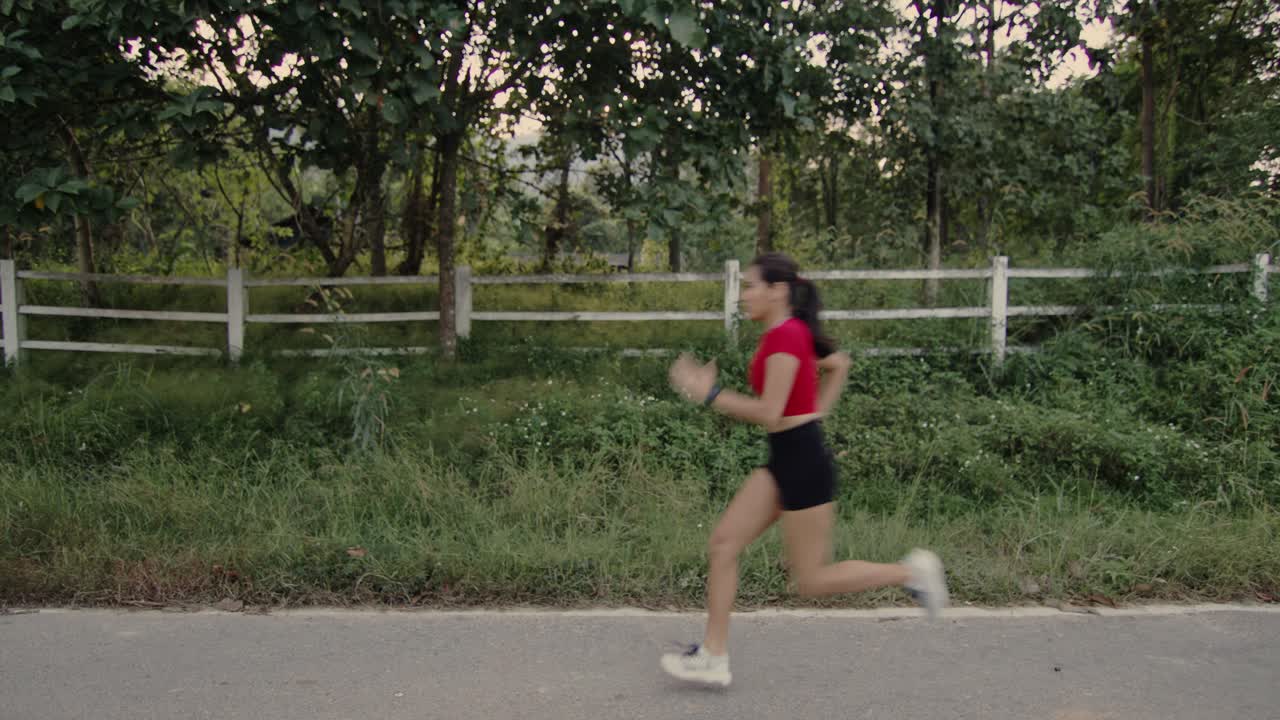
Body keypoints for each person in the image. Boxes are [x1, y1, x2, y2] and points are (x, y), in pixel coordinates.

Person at [661, 252, 948, 688]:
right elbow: (838, 365)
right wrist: (814, 416)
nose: (744, 296)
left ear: (777, 291)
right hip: (788, 457)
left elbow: (771, 413)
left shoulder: (785, 337)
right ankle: (713, 656)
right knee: (723, 545)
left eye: (751, 286)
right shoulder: (785, 333)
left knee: (811, 581)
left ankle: (912, 573)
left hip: (802, 462)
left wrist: (709, 394)